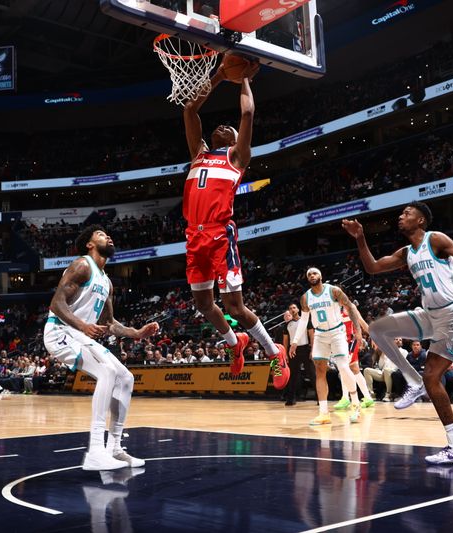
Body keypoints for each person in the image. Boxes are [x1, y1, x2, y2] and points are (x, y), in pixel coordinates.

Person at [343, 201, 453, 464]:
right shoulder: (406, 252)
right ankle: (412, 381)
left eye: (407, 213)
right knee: (377, 329)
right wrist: (360, 239)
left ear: (421, 221)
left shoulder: (435, 239)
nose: (400, 216)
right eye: (401, 213)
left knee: (432, 377)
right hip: (430, 315)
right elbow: (372, 267)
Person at [181, 55, 288, 388]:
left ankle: (274, 352)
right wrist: (217, 76)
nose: (224, 126)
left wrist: (242, 79)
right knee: (203, 304)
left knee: (236, 308)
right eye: (221, 127)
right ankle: (235, 343)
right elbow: (189, 111)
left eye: (229, 129)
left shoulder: (236, 157)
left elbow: (246, 113)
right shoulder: (198, 152)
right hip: (193, 237)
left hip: (219, 236)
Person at [44, 225, 160, 471]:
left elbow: (109, 324)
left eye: (108, 234)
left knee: (126, 378)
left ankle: (114, 449)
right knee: (108, 372)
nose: (107, 236)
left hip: (80, 335)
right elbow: (56, 304)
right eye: (100, 234)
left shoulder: (106, 282)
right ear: (89, 244)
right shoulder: (82, 265)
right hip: (60, 332)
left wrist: (137, 333)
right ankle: (96, 450)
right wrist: (84, 326)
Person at [289, 267, 365, 425]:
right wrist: (295, 341)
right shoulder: (305, 298)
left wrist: (358, 331)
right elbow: (304, 321)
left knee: (344, 367)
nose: (312, 275)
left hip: (337, 332)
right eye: (309, 274)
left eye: (314, 273)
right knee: (320, 372)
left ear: (321, 276)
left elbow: (350, 307)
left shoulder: (334, 291)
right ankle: (324, 413)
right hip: (320, 334)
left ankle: (356, 405)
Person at [332, 306, 373, 411]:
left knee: (344, 368)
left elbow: (362, 322)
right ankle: (368, 398)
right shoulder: (334, 308)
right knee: (355, 369)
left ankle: (345, 398)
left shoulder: (350, 307)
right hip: (341, 342)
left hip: (352, 340)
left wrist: (374, 336)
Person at [282, 303, 314, 406]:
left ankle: (320, 398)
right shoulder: (287, 324)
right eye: (290, 308)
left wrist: (312, 350)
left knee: (312, 374)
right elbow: (285, 341)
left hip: (305, 349)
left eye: (294, 307)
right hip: (293, 351)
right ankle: (291, 399)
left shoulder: (306, 321)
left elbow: (312, 336)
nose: (292, 309)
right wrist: (285, 354)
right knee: (293, 376)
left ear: (298, 309)